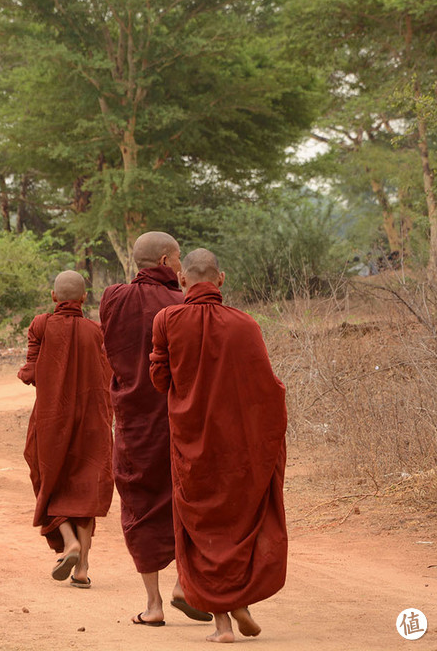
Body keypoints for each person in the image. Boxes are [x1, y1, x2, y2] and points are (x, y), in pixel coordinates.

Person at [149, 248, 288, 643]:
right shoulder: (246, 325)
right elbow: (267, 387)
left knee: (200, 527)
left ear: (182, 280)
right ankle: (239, 602)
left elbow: (160, 380)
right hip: (239, 448)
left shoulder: (167, 320)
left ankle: (223, 625)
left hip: (192, 444)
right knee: (235, 522)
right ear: (221, 279)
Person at [99, 231, 211, 627]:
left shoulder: (113, 298)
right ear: (166, 261)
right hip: (176, 421)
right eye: (178, 259)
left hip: (132, 422)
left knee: (139, 504)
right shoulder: (182, 305)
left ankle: (154, 605)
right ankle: (185, 582)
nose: (181, 267)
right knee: (183, 499)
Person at [18, 269, 115, 588]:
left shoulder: (41, 325)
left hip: (51, 421)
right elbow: (108, 378)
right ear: (85, 298)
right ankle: (83, 568)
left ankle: (69, 542)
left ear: (54, 297)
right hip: (91, 423)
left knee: (49, 479)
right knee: (85, 489)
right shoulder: (97, 332)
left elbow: (30, 372)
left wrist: (35, 370)